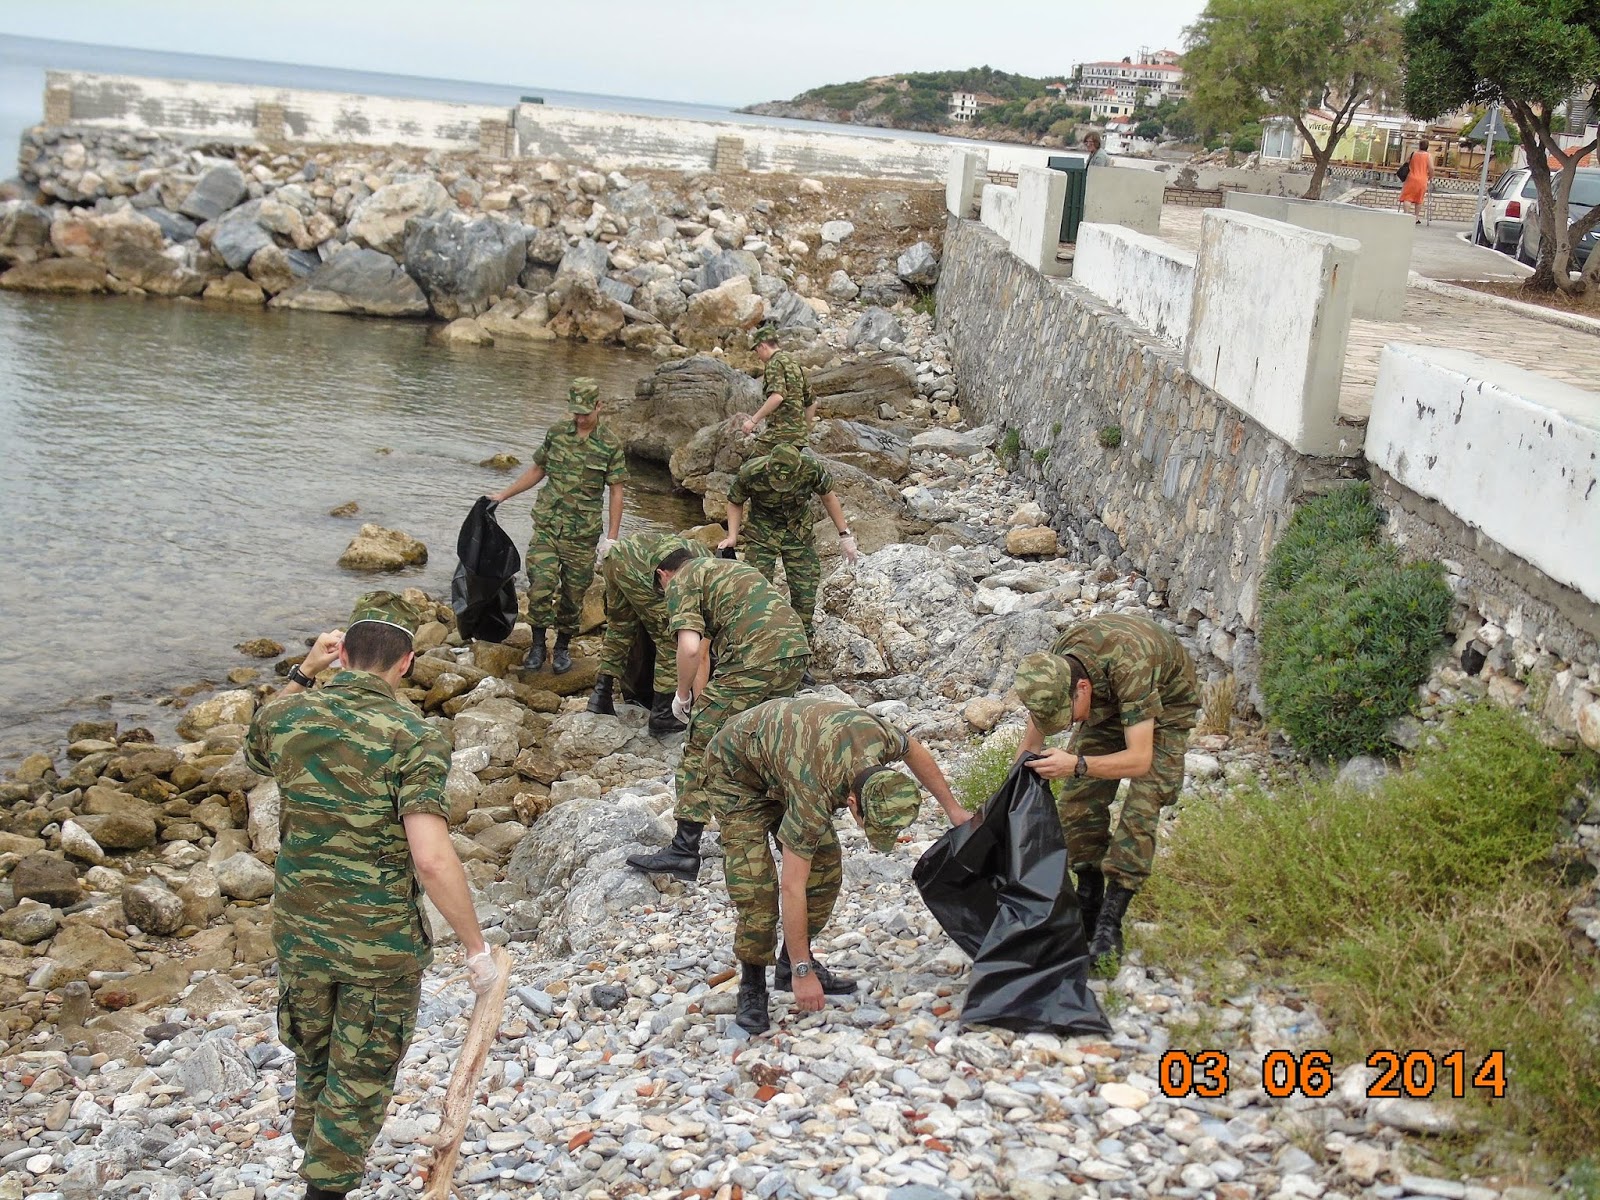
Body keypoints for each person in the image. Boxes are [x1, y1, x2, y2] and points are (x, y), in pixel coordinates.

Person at [245, 592, 500, 1200]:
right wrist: (474, 948)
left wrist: (304, 671)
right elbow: (432, 858)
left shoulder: (289, 717)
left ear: (342, 655)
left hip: (301, 929)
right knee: (359, 1076)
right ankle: (324, 1187)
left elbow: (256, 747)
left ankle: (318, 1160)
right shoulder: (414, 735)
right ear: (406, 662)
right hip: (376, 943)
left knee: (314, 1058)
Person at [702, 695, 973, 1034]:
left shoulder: (878, 737)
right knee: (757, 886)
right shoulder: (814, 792)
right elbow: (791, 886)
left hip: (787, 757)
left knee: (826, 869)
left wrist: (953, 809)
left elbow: (915, 750)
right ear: (851, 802)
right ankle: (753, 983)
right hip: (736, 774)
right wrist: (806, 972)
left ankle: (788, 964)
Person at [1013, 612, 1199, 972]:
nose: (1069, 725)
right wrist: (1012, 784)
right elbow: (1033, 737)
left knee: (1142, 808)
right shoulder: (1055, 667)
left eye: (1068, 716)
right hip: (1110, 700)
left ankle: (1111, 919)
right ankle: (1088, 896)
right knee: (1077, 804)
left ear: (1081, 690)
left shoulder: (1132, 667)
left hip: (1166, 705)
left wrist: (1077, 763)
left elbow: (1140, 760)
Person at [624, 550, 810, 882]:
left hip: (755, 656)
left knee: (699, 744)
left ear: (664, 574)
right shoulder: (724, 571)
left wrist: (680, 696)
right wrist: (701, 698)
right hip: (794, 652)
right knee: (760, 743)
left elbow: (691, 648)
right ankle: (787, 838)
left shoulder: (681, 581)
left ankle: (683, 850)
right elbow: (705, 655)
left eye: (660, 589)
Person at [487, 377, 625, 676]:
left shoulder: (610, 444)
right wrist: (503, 495)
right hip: (548, 526)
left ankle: (562, 646)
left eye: (585, 412)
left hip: (582, 534)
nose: (579, 418)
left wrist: (612, 539)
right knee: (540, 585)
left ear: (599, 406)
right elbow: (538, 469)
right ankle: (537, 645)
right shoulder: (557, 433)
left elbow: (616, 490)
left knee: (573, 594)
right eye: (575, 411)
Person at [719, 443, 859, 659]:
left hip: (797, 531)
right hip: (762, 532)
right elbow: (735, 501)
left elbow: (828, 497)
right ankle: (755, 649)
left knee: (805, 592)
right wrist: (732, 536)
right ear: (768, 467)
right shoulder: (751, 472)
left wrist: (844, 534)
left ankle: (799, 654)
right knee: (754, 591)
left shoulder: (812, 469)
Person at [586, 530, 713, 736]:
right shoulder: (704, 569)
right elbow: (698, 650)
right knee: (670, 638)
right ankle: (663, 714)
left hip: (616, 557)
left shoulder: (700, 557)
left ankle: (601, 695)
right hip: (639, 569)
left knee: (620, 627)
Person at [740, 324, 815, 452]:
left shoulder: (774, 364)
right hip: (798, 440)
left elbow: (777, 396)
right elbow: (812, 402)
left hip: (778, 437)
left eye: (757, 350)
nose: (758, 355)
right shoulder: (793, 362)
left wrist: (753, 421)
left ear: (762, 346)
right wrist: (804, 431)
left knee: (751, 468)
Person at [1400, 139, 1432, 224]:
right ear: (1427, 146)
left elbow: (1405, 163)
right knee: (1419, 199)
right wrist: (1430, 177)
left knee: (1407, 198)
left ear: (1419, 145)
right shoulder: (1428, 156)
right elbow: (1431, 168)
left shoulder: (1413, 154)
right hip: (1422, 179)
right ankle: (1416, 217)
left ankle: (1406, 215)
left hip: (1411, 178)